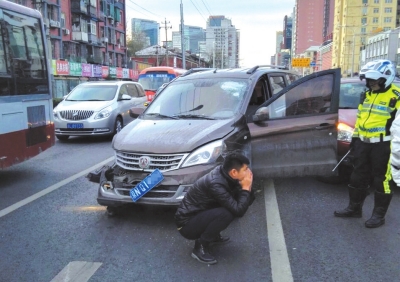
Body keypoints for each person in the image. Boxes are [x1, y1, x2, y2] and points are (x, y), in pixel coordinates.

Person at [334, 59, 400, 228]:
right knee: (357, 176)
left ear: (386, 77)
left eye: (374, 80)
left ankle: (379, 216)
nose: (370, 83)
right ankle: (354, 209)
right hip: (364, 144)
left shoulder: (396, 95)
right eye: (368, 80)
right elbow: (361, 119)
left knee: (382, 180)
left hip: (384, 145)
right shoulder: (367, 95)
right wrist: (355, 140)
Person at [174, 152, 254, 264]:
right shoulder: (216, 183)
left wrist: (247, 188)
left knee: (230, 208)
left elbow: (245, 202)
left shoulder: (227, 175)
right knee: (227, 213)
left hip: (199, 214)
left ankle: (212, 235)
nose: (249, 172)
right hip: (186, 224)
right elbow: (239, 210)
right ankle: (200, 247)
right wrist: (245, 188)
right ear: (234, 172)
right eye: (245, 169)